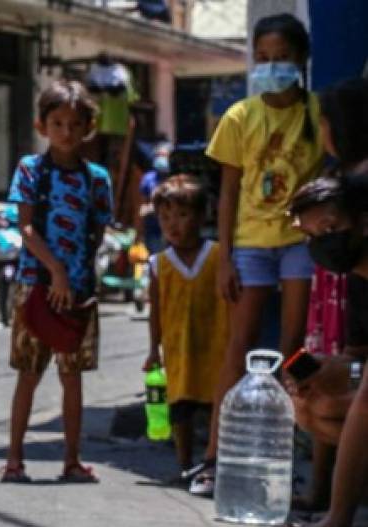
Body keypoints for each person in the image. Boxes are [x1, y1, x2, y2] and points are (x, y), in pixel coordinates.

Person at [194, 13, 324, 497]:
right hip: (249, 246)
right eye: (263, 59)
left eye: (281, 59)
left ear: (301, 61)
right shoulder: (240, 117)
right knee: (240, 347)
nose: (271, 67)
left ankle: (281, 456)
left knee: (294, 352)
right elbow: (227, 194)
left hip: (299, 245)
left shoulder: (318, 112)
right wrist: (224, 257)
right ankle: (213, 459)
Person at [0, 80, 114, 484]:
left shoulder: (97, 178)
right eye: (58, 122)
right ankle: (14, 459)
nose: (67, 131)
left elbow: (99, 229)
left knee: (72, 376)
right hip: (35, 286)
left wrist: (76, 274)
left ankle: (71, 460)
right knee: (28, 374)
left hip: (80, 294)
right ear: (42, 125)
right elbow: (26, 227)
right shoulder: (31, 170)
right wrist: (57, 271)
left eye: (75, 123)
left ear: (88, 127)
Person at [290, 77, 368, 511]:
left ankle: (338, 511)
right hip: (351, 339)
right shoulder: (335, 179)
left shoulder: (353, 187)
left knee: (340, 403)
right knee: (311, 397)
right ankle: (331, 495)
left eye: (329, 228)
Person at [283, 166, 368, 527]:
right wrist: (324, 370)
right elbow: (357, 361)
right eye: (311, 236)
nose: (321, 243)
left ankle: (337, 522)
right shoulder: (357, 280)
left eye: (330, 229)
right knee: (315, 405)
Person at [143, 175, 229, 484]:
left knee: (213, 405)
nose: (173, 224)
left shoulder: (220, 256)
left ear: (201, 216)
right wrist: (154, 349)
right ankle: (184, 464)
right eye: (165, 218)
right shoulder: (158, 264)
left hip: (215, 344)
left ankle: (210, 462)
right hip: (178, 348)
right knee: (180, 408)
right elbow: (156, 311)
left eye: (181, 215)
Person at [137, 141, 172, 255]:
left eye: (164, 156)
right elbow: (142, 206)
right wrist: (139, 234)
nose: (161, 159)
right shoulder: (148, 179)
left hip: (171, 230)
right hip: (153, 231)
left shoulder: (175, 178)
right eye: (158, 155)